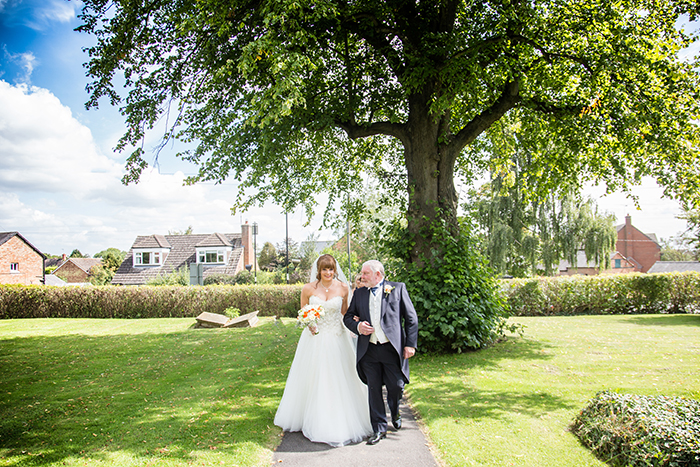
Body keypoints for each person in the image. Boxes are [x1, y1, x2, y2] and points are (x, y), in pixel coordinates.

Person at [274, 254, 373, 446]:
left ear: (335, 270)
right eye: (324, 269)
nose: (328, 273)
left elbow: (345, 313)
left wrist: (355, 322)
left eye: (331, 269)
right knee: (314, 378)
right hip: (314, 339)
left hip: (337, 337)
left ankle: (341, 417)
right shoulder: (308, 288)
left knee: (339, 377)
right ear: (318, 271)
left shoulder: (343, 288)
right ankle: (310, 416)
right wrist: (309, 323)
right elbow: (302, 313)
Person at [343, 260, 419, 445]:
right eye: (362, 274)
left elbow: (411, 318)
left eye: (365, 273)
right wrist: (358, 326)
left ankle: (395, 409)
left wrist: (410, 344)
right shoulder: (359, 293)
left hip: (391, 349)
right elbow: (347, 317)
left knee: (396, 386)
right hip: (369, 350)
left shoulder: (397, 289)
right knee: (374, 389)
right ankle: (379, 429)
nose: (362, 277)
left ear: (378, 274)